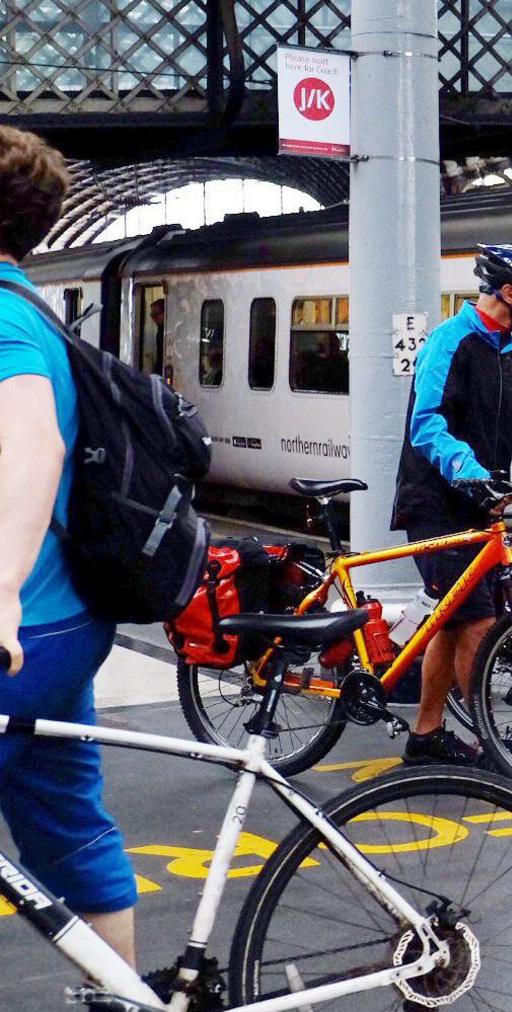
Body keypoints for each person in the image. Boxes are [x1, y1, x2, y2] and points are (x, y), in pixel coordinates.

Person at [0, 124, 138, 965]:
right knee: (69, 831)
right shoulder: (31, 307)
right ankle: (122, 997)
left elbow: (34, 446)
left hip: (26, 628)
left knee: (70, 825)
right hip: (68, 619)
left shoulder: (3, 320)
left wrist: (2, 591)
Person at [390, 242, 512, 765]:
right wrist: (473, 475)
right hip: (436, 501)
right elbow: (427, 424)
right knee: (477, 623)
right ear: (508, 292)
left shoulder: (509, 352)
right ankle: (492, 744)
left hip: (480, 504)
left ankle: (426, 734)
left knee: (454, 620)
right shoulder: (448, 342)